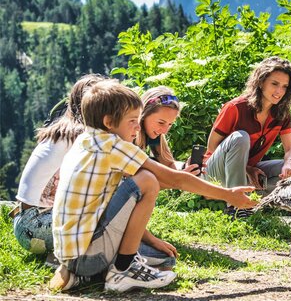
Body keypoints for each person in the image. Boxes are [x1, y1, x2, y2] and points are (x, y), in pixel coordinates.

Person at [49, 79, 256, 292]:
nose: (137, 127)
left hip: (71, 254)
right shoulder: (112, 146)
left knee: (164, 257)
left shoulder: (86, 140)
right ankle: (122, 270)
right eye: (132, 121)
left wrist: (152, 240)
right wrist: (228, 194)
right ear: (109, 122)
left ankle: (84, 275)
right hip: (89, 254)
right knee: (147, 180)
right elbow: (175, 179)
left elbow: (116, 206)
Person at [13, 74, 104, 257]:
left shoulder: (64, 131)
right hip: (36, 224)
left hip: (24, 221)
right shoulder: (81, 137)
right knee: (105, 218)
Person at [204, 56, 291, 217]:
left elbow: (290, 149)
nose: (279, 91)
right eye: (274, 84)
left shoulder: (281, 113)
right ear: (261, 81)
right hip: (213, 172)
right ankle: (235, 207)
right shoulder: (236, 108)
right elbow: (211, 147)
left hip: (244, 173)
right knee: (240, 137)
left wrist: (288, 165)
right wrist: (248, 168)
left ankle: (252, 204)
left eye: (285, 87)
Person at [135, 86, 200, 174]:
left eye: (170, 124)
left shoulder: (152, 132)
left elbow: (168, 165)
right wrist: (180, 178)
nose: (165, 131)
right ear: (143, 113)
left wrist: (185, 167)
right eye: (161, 123)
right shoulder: (127, 135)